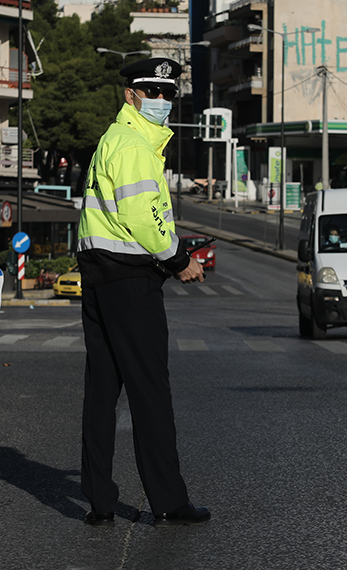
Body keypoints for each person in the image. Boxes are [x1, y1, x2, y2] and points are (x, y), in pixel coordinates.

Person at [77, 57, 210, 528]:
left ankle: (99, 500)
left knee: (101, 391)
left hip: (99, 277)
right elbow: (143, 217)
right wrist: (179, 260)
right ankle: (169, 501)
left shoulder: (112, 140)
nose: (161, 101)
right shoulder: (134, 145)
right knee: (150, 390)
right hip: (131, 281)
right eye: (152, 92)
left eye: (168, 93)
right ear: (130, 95)